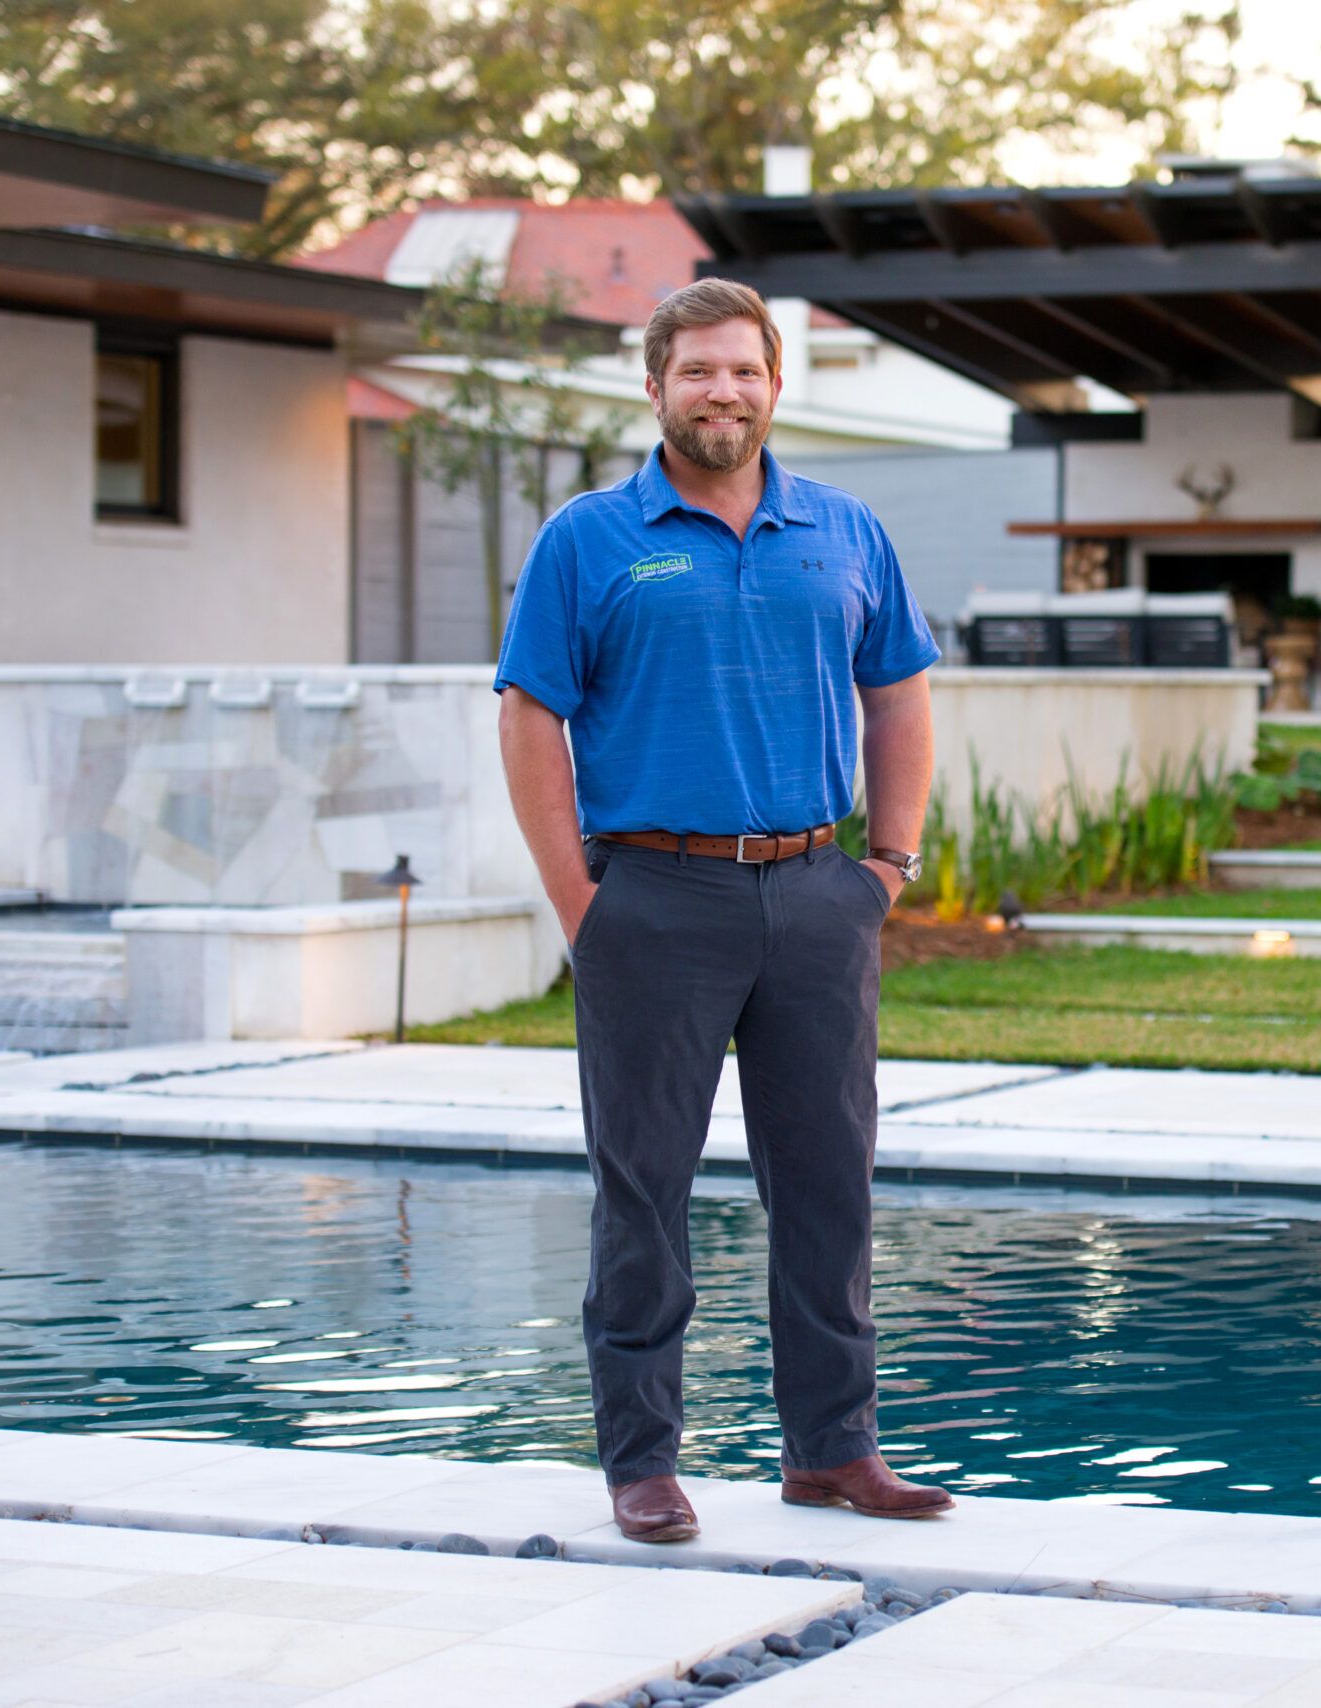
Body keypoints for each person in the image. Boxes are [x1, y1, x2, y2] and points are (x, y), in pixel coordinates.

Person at [494, 278, 949, 1544]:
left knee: (827, 1185)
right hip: (653, 895)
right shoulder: (589, 538)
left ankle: (832, 1450)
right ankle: (641, 1460)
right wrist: (581, 904)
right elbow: (531, 718)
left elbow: (900, 694)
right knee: (643, 1187)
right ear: (654, 387)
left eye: (743, 370)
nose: (722, 392)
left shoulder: (845, 529)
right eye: (696, 371)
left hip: (816, 894)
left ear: (774, 383)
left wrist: (886, 869)